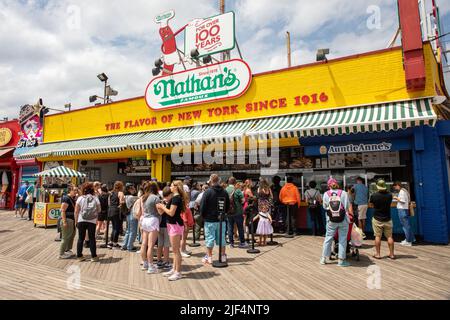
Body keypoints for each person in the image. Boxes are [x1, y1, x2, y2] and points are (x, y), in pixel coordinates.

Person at [156, 180, 189, 281]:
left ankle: (177, 272)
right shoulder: (175, 198)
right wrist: (161, 207)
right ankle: (174, 269)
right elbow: (164, 212)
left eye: (171, 185)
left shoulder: (176, 198)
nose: (170, 186)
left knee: (175, 251)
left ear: (176, 187)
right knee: (174, 251)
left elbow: (171, 213)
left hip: (175, 225)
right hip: (172, 224)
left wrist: (162, 206)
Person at [320, 178, 353, 267]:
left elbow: (324, 206)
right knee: (342, 239)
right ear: (337, 184)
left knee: (328, 238)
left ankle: (323, 258)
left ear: (329, 185)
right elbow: (346, 206)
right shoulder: (344, 193)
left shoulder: (326, 194)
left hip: (331, 219)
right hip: (343, 219)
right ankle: (341, 260)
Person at [200, 174, 230, 265]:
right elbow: (227, 205)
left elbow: (203, 206)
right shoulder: (224, 192)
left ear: (211, 181)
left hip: (210, 219)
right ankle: (223, 256)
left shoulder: (208, 192)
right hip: (221, 219)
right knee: (222, 239)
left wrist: (203, 216)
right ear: (219, 181)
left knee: (209, 238)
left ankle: (209, 257)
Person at [140, 182, 163, 274]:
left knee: (144, 244)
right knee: (151, 245)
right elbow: (160, 212)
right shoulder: (155, 198)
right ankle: (151, 266)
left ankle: (145, 263)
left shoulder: (144, 197)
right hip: (153, 220)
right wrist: (163, 206)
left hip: (145, 220)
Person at [75, 182, 101, 262]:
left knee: (81, 238)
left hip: (81, 220)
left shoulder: (80, 198)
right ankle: (94, 256)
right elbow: (99, 210)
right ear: (92, 190)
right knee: (92, 238)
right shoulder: (95, 198)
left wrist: (76, 221)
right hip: (92, 221)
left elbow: (76, 211)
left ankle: (79, 256)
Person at [370, 179, 395, 260]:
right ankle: (391, 254)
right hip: (388, 218)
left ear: (377, 186)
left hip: (377, 218)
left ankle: (378, 254)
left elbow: (371, 205)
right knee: (389, 237)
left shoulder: (373, 195)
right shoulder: (390, 195)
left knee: (377, 236)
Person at [226, 177, 248, 249]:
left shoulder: (225, 190)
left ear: (228, 182)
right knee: (240, 227)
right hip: (238, 211)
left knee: (230, 227)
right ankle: (242, 242)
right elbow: (243, 200)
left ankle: (231, 243)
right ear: (235, 182)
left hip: (228, 212)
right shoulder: (237, 190)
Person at [393, 182, 416, 246]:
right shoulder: (405, 190)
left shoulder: (402, 192)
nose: (395, 188)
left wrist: (396, 198)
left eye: (395, 187)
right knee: (407, 225)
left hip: (402, 210)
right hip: (404, 209)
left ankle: (408, 241)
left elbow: (403, 201)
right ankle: (410, 239)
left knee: (405, 226)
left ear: (397, 185)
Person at [58, 186, 78, 259]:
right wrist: (64, 221)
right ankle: (61, 253)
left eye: (76, 190)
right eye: (75, 190)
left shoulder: (73, 198)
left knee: (71, 236)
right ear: (70, 190)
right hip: (68, 219)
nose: (76, 191)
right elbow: (62, 210)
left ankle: (67, 250)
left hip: (72, 220)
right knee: (65, 237)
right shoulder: (66, 198)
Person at [156, 186, 172, 270]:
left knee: (160, 244)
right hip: (167, 225)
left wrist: (162, 205)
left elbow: (159, 213)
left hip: (159, 225)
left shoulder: (160, 202)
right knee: (166, 245)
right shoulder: (170, 203)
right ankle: (166, 262)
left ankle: (159, 261)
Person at [255, 178, 274, 246]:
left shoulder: (259, 189)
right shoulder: (268, 189)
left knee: (261, 220)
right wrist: (269, 203)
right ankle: (265, 241)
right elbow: (271, 197)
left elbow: (257, 196)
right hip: (267, 204)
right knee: (267, 219)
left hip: (260, 205)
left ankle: (261, 240)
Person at [108, 181, 125, 249]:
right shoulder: (120, 193)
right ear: (121, 186)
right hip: (117, 211)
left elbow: (109, 203)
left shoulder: (111, 193)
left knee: (113, 228)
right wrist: (124, 202)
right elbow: (121, 202)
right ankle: (115, 243)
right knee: (117, 228)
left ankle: (111, 242)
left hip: (110, 210)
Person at [122, 184, 139, 251]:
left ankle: (124, 245)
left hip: (128, 215)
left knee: (128, 231)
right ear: (129, 189)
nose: (134, 190)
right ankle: (130, 246)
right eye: (132, 189)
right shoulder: (132, 197)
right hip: (133, 214)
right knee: (133, 231)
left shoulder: (125, 196)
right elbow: (140, 198)